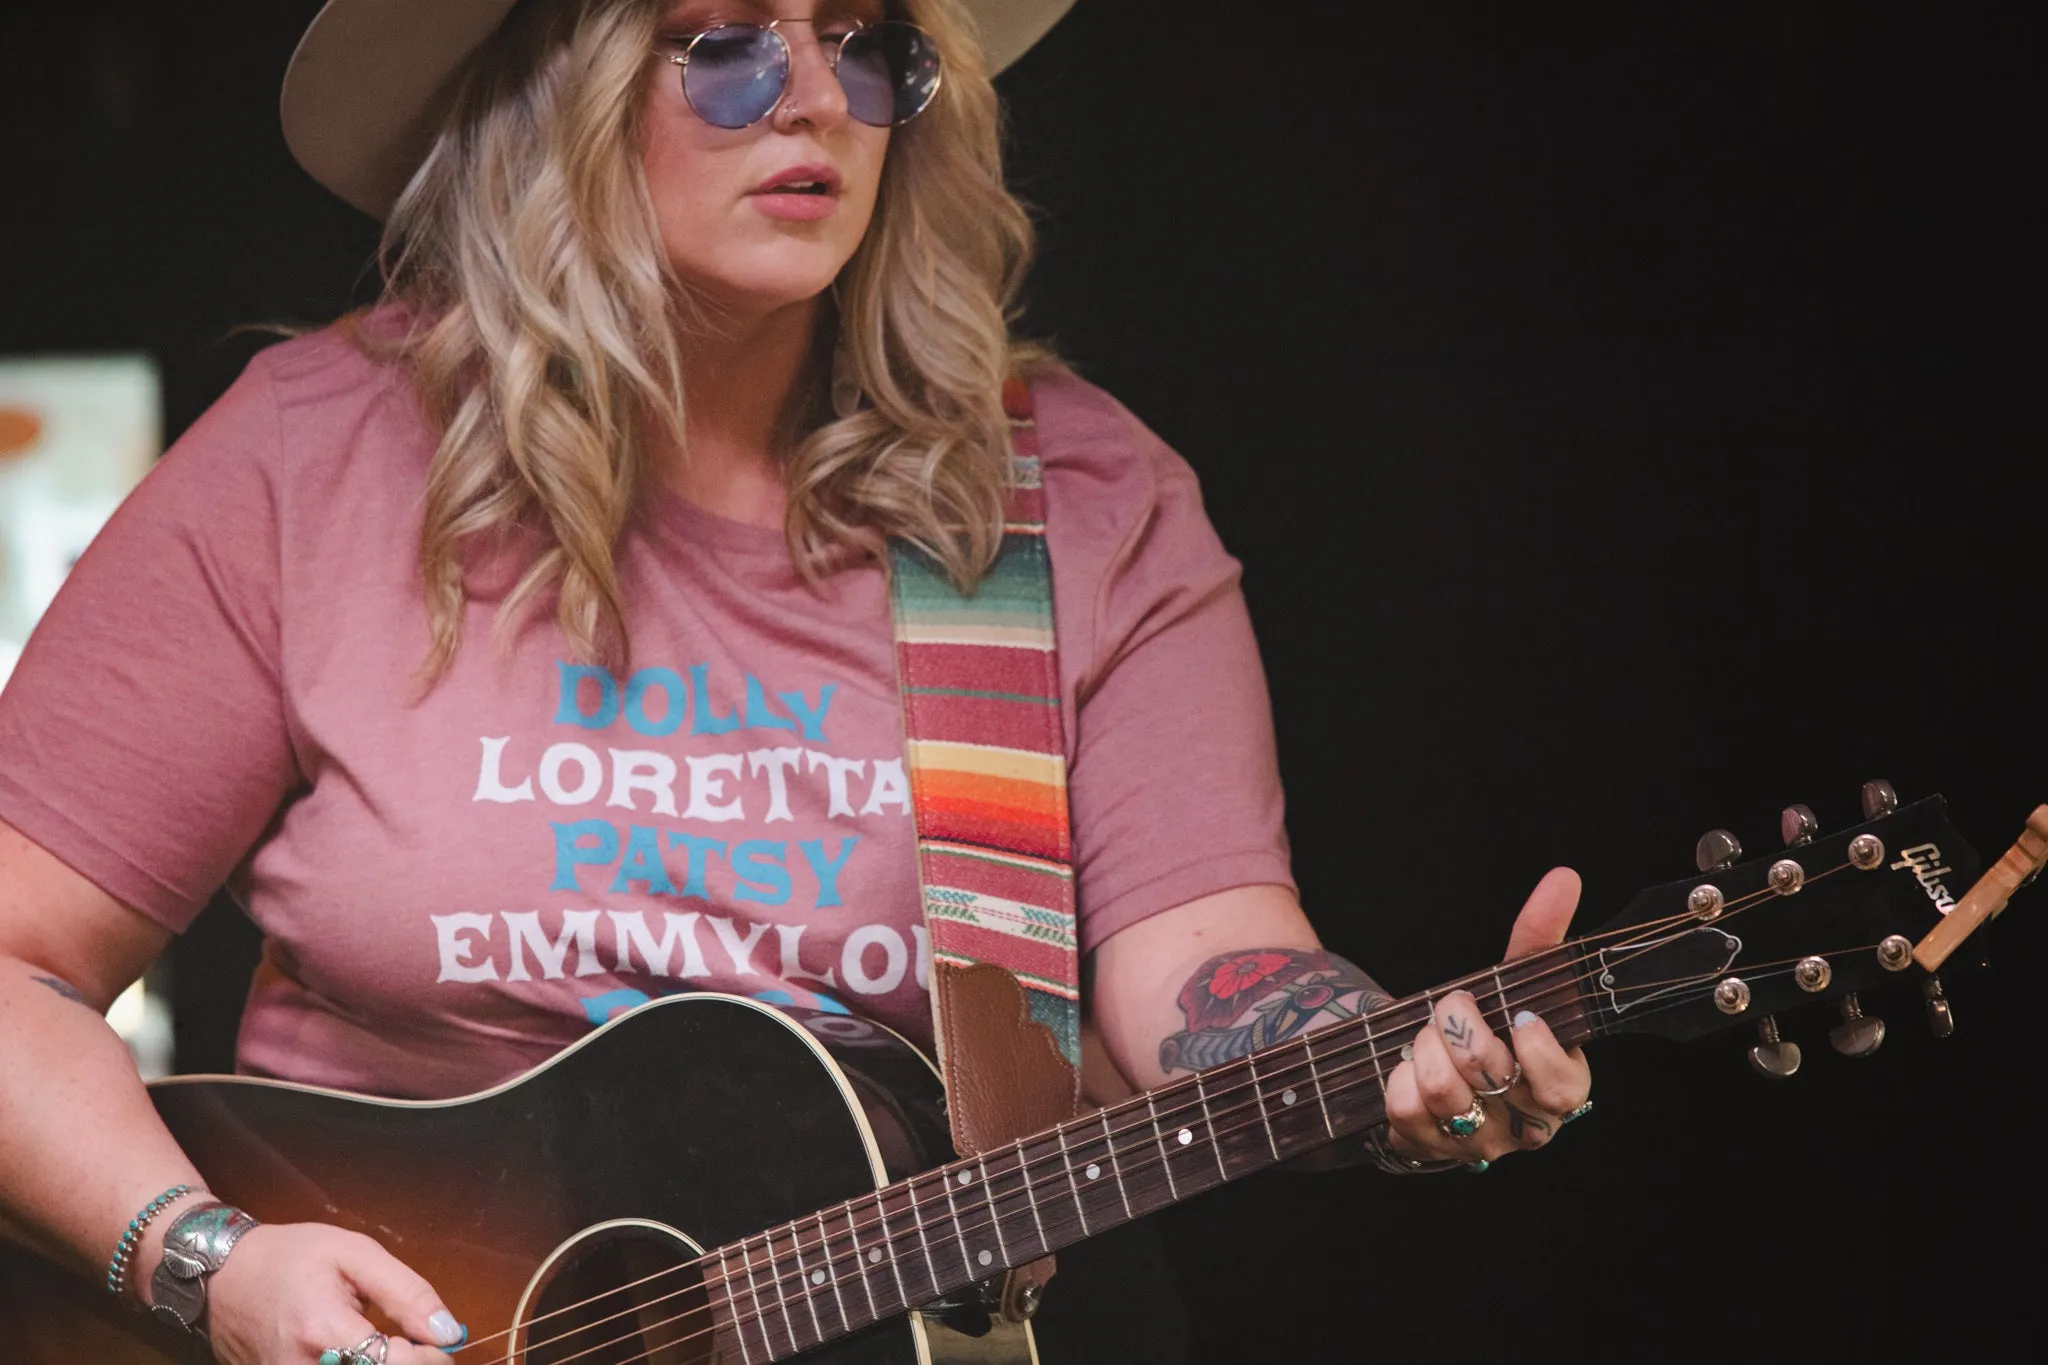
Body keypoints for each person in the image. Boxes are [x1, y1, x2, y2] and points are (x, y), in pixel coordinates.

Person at [0, 2, 1592, 1361]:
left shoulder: (1075, 504)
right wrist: (206, 1261)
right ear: (565, 87)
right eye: (729, 48)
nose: (820, 97)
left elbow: (1209, 959)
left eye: (864, 42)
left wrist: (1384, 1062)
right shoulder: (317, 456)